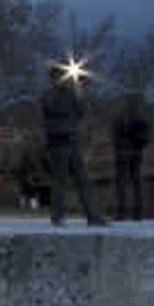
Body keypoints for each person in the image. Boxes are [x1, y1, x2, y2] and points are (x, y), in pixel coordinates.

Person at [41, 65, 105, 227]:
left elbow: (82, 111)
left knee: (82, 180)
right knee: (59, 181)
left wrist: (79, 90)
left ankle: (93, 215)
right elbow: (53, 108)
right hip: (58, 142)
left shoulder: (70, 93)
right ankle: (58, 216)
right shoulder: (49, 95)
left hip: (72, 140)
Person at [111, 93, 151, 221]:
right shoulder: (142, 118)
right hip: (137, 153)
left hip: (123, 153)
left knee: (122, 182)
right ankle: (138, 211)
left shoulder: (122, 117)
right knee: (136, 182)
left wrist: (117, 147)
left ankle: (122, 211)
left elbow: (116, 135)